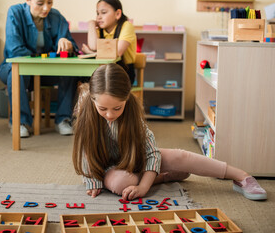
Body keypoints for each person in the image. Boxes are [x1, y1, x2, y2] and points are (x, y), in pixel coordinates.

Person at [72, 63, 267, 201]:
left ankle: (241, 176)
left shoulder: (131, 111)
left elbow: (151, 153)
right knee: (122, 182)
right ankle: (162, 176)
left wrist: (143, 187)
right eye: (103, 109)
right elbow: (85, 152)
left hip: (135, 160)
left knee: (180, 156)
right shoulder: (86, 110)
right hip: (111, 169)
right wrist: (93, 181)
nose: (109, 115)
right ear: (93, 99)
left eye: (117, 108)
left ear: (127, 99)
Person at [0, 0, 78, 137]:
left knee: (70, 70)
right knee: (18, 71)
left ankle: (63, 119)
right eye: (40, 3)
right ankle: (20, 122)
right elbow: (15, 50)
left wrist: (68, 45)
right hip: (13, 69)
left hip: (45, 70)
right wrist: (48, 56)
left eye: (50, 2)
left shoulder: (56, 16)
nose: (46, 8)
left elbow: (72, 45)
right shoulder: (15, 12)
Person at [81, 0, 136, 85]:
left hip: (124, 72)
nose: (99, 17)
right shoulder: (100, 29)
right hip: (103, 70)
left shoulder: (126, 26)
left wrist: (90, 52)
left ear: (117, 14)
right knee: (83, 78)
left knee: (99, 84)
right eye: (97, 13)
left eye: (103, 12)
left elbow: (117, 52)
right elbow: (93, 46)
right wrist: (91, 24)